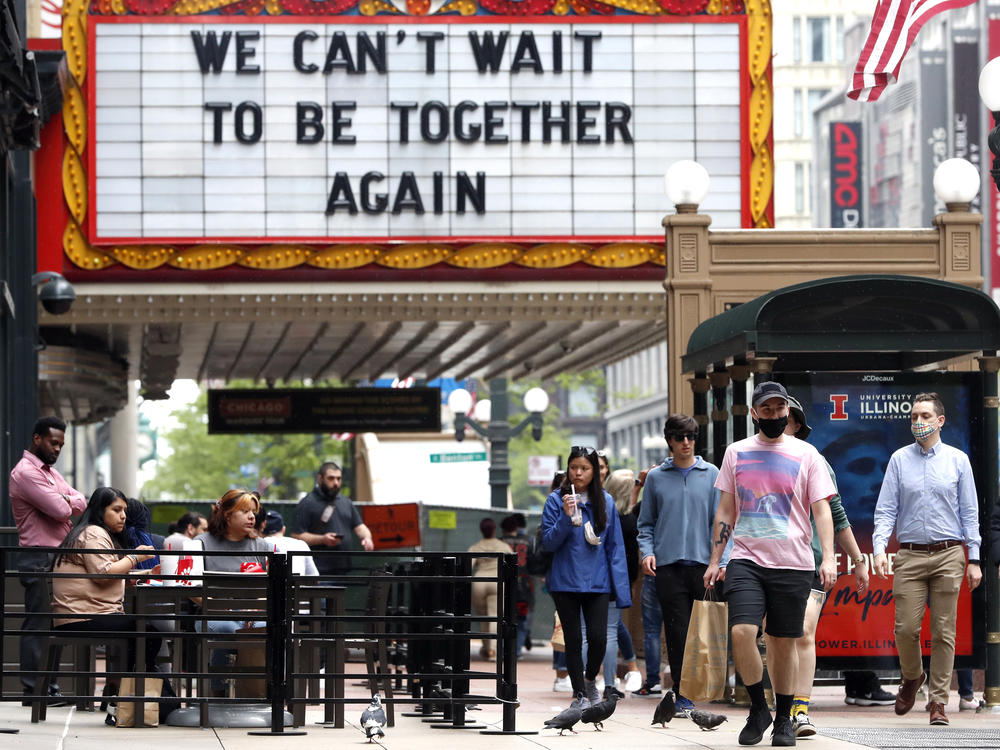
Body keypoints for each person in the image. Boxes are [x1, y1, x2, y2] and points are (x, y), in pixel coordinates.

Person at [705, 381, 836, 747]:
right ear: (754, 413)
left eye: (780, 409)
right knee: (743, 632)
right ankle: (758, 707)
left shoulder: (807, 454)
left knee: (782, 642)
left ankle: (782, 719)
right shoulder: (736, 453)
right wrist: (716, 558)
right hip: (745, 558)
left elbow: (822, 510)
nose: (775, 415)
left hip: (793, 562)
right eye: (767, 409)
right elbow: (726, 510)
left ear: (787, 412)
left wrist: (828, 557)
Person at [873, 392, 982, 727]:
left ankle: (938, 702)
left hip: (950, 553)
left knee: (944, 631)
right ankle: (912, 676)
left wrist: (974, 557)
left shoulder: (957, 461)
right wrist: (879, 548)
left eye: (924, 416)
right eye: (914, 417)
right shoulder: (899, 460)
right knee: (905, 628)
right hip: (910, 554)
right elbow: (886, 508)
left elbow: (970, 513)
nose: (918, 423)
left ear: (940, 421)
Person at [772, 396, 874, 738]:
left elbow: (837, 514)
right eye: (771, 414)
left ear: (797, 425)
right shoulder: (751, 457)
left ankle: (800, 710)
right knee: (776, 637)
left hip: (809, 563)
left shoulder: (815, 461)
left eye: (785, 418)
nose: (778, 423)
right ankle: (780, 708)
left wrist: (857, 560)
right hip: (766, 563)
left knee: (803, 630)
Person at [638, 414, 727, 714]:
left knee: (703, 631)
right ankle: (682, 693)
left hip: (704, 567)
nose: (686, 443)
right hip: (668, 568)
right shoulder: (655, 478)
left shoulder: (712, 473)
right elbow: (645, 523)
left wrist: (721, 561)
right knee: (677, 632)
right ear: (670, 441)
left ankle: (710, 686)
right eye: (680, 438)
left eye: (690, 437)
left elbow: (722, 523)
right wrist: (647, 551)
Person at [542, 445, 631, 711]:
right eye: (573, 468)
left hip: (597, 581)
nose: (578, 473)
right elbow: (548, 543)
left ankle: (591, 679)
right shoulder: (556, 501)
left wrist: (621, 589)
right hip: (564, 581)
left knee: (599, 638)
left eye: (584, 468)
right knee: (573, 640)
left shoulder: (606, 501)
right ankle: (579, 693)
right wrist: (566, 519)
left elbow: (615, 547)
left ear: (595, 472)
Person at [51, 487, 160, 693]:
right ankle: (123, 695)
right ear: (101, 510)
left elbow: (111, 574)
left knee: (143, 631)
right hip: (81, 617)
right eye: (117, 510)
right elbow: (103, 574)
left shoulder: (94, 532)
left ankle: (119, 693)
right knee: (147, 633)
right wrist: (134, 557)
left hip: (83, 614)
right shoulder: (93, 533)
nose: (123, 516)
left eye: (125, 511)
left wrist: (147, 574)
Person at [9, 415, 88, 701]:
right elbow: (61, 509)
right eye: (53, 443)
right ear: (37, 439)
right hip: (40, 556)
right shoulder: (26, 473)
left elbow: (82, 500)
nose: (57, 449)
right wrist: (64, 500)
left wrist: (65, 499)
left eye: (61, 445)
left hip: (56, 557)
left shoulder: (51, 474)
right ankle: (34, 691)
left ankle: (49, 688)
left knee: (56, 623)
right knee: (39, 624)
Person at [192, 489, 272, 694]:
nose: (252, 516)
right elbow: (190, 587)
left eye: (253, 511)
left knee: (267, 629)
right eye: (245, 511)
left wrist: (255, 610)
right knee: (227, 629)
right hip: (213, 614)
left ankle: (264, 692)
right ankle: (216, 692)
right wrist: (223, 608)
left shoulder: (262, 546)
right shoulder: (201, 543)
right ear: (227, 515)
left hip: (253, 614)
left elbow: (271, 586)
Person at [291, 461, 373, 580]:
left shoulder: (346, 502)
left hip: (343, 570)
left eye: (339, 479)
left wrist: (367, 538)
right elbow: (296, 536)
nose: (336, 482)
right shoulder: (307, 503)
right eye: (331, 478)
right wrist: (323, 539)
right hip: (318, 571)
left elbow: (360, 526)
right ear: (320, 478)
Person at [602, 469, 641, 697]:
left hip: (601, 578)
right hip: (621, 578)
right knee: (611, 628)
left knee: (601, 629)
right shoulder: (628, 521)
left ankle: (601, 679)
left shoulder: (604, 517)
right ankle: (614, 677)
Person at [467, 517, 513, 659]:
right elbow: (512, 563)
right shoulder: (503, 546)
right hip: (496, 581)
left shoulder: (476, 547)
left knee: (483, 617)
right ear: (494, 530)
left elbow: (468, 565)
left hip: (479, 582)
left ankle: (486, 647)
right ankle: (493, 650)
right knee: (495, 616)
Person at [499, 514, 534, 658]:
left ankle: (502, 650)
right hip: (524, 584)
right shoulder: (528, 541)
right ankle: (517, 651)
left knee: (503, 618)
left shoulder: (500, 542)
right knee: (521, 619)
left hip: (503, 584)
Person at [261, 509, 319, 576]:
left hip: (267, 585)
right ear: (283, 529)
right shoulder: (301, 544)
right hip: (295, 586)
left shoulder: (258, 545)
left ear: (261, 530)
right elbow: (313, 578)